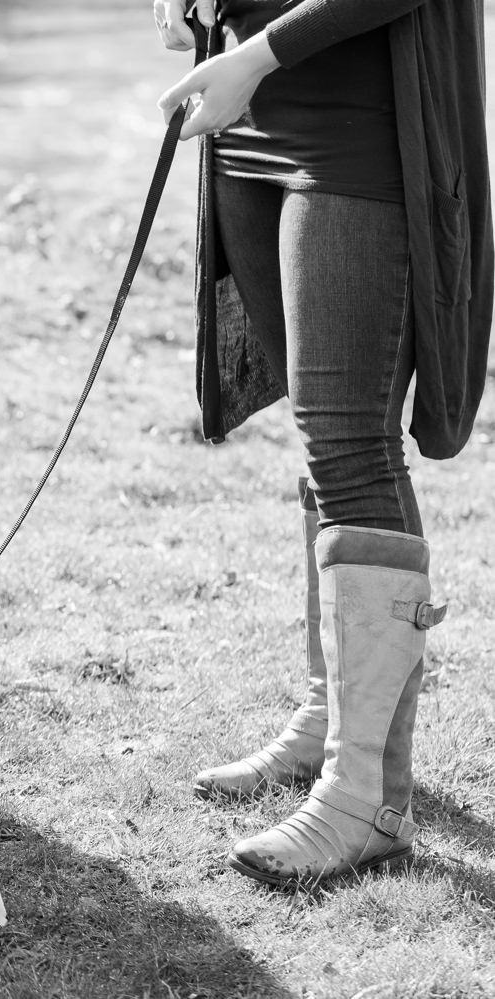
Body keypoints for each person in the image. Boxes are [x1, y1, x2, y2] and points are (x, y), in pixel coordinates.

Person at [153, 0, 491, 885]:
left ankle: (365, 801)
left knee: (350, 449)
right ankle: (327, 720)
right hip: (249, 122)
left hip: (364, 135)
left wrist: (261, 52)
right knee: (322, 440)